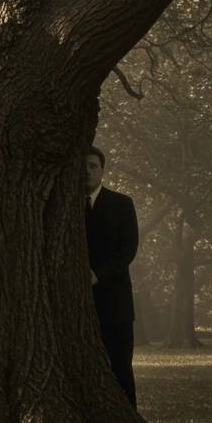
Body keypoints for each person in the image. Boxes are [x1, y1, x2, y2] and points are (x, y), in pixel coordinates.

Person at [84, 146, 139, 407]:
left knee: (120, 367)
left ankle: (129, 419)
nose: (87, 172)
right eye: (82, 166)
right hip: (76, 306)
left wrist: (98, 275)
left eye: (93, 166)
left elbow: (128, 250)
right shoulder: (64, 207)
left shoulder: (122, 204)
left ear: (102, 170)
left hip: (115, 303)